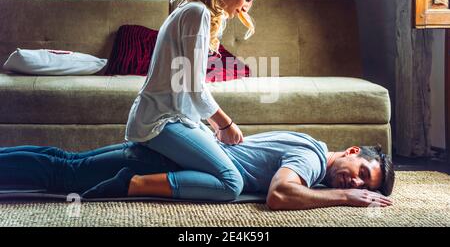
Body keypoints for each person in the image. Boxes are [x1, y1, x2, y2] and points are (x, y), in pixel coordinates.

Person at [123, 0, 263, 201]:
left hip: (174, 116)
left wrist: (206, 125)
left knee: (81, 164)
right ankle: (135, 184)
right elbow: (194, 86)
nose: (247, 7)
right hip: (162, 121)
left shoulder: (197, 12)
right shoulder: (197, 13)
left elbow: (187, 86)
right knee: (231, 182)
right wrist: (224, 124)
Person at [0, 129, 395, 210]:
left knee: (66, 162)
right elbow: (279, 194)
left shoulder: (307, 141)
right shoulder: (309, 161)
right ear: (352, 150)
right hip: (168, 160)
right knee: (64, 174)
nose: (355, 180)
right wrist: (344, 197)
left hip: (173, 154)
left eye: (363, 183)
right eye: (361, 171)